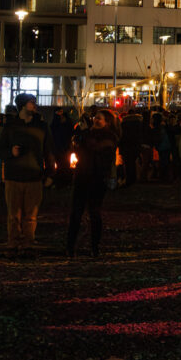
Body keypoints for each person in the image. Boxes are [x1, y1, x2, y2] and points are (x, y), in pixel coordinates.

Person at [0, 94, 53, 258]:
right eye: (31, 103)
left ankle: (28, 243)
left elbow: (48, 151)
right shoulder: (10, 127)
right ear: (22, 106)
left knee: (31, 215)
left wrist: (50, 173)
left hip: (34, 176)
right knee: (14, 214)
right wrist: (10, 153)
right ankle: (13, 243)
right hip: (14, 176)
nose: (35, 105)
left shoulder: (42, 126)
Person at [66, 109, 119, 257]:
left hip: (97, 179)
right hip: (82, 177)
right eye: (96, 117)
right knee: (76, 213)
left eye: (100, 119)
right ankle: (70, 246)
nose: (96, 120)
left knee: (94, 213)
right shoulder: (86, 134)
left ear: (107, 122)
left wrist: (85, 133)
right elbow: (77, 148)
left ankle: (95, 246)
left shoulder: (109, 137)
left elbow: (95, 147)